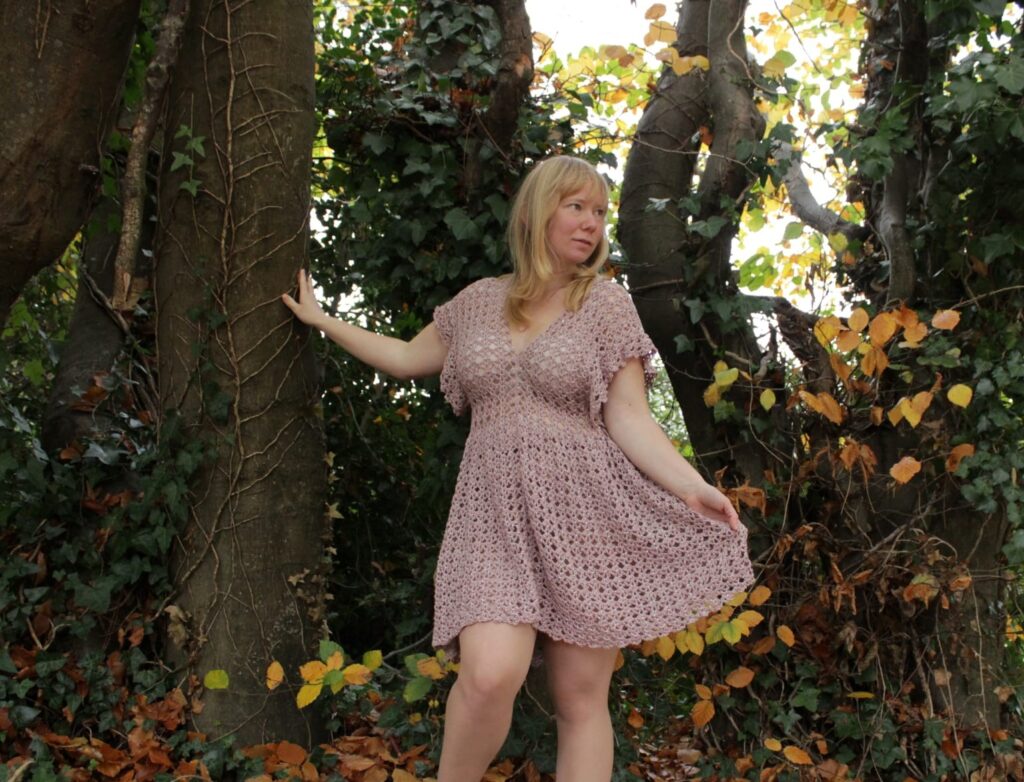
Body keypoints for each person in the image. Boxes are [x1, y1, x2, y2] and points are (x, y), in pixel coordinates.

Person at [281, 156, 753, 782]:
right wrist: (323, 321)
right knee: (488, 675)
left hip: (587, 516)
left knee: (580, 699)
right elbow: (401, 357)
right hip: (490, 516)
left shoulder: (605, 306)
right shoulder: (476, 303)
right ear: (538, 210)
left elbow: (631, 418)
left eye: (600, 213)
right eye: (576, 206)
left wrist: (692, 486)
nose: (591, 224)